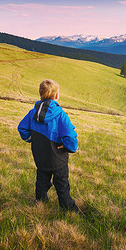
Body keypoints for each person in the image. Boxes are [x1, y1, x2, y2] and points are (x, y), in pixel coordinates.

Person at [18, 79, 79, 212]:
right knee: (62, 185)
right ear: (56, 96)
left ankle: (40, 202)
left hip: (40, 156)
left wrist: (32, 139)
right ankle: (69, 209)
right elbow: (70, 137)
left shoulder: (32, 113)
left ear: (40, 94)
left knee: (41, 180)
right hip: (58, 159)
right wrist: (69, 147)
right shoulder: (61, 115)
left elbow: (22, 129)